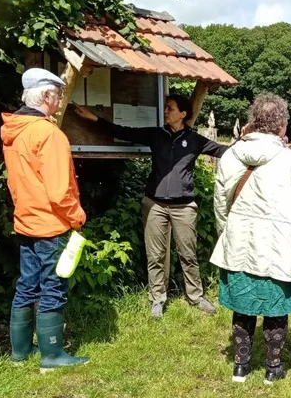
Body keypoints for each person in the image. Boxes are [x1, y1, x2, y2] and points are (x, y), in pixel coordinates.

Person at [74, 96, 229, 317]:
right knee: (155, 254)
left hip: (184, 207)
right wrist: (94, 118)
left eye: (170, 108)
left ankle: (195, 296)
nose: (165, 111)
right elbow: (122, 131)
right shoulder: (156, 135)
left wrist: (252, 143)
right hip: (154, 204)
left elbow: (224, 151)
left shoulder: (194, 140)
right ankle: (157, 299)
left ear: (183, 114)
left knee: (188, 253)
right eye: (166, 107)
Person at [209, 94, 291, 384]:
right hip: (278, 247)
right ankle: (273, 368)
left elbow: (220, 203)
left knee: (243, 306)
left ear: (254, 120)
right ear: (281, 124)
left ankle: (241, 366)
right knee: (275, 309)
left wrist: (228, 234)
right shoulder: (289, 160)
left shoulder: (231, 154)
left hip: (239, 244)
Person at [0, 69, 90, 373]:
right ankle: (51, 355)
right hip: (51, 224)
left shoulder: (15, 130)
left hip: (25, 220)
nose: (60, 98)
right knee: (53, 286)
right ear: (45, 96)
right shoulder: (48, 133)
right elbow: (59, 188)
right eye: (58, 93)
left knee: (26, 285)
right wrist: (76, 216)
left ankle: (21, 351)